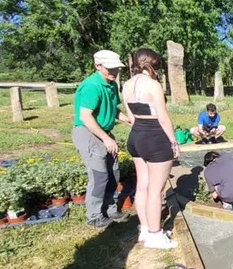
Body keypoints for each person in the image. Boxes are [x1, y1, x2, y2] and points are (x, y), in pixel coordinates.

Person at [121, 48, 180, 249]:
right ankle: (156, 236)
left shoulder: (127, 85)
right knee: (156, 191)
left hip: (136, 137)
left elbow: (132, 117)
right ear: (155, 64)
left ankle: (145, 229)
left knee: (142, 186)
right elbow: (163, 117)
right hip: (155, 139)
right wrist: (173, 142)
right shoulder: (153, 85)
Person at [72, 50, 131, 228]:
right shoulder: (91, 86)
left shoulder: (111, 84)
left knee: (113, 173)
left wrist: (127, 119)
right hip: (88, 133)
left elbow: (112, 108)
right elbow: (85, 116)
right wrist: (106, 139)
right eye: (110, 68)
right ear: (98, 66)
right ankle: (94, 215)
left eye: (117, 68)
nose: (115, 72)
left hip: (104, 132)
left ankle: (110, 209)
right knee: (99, 176)